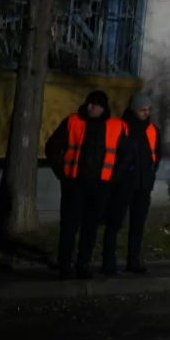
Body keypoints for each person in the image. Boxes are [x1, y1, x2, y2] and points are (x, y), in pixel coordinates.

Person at [44, 90, 122, 279]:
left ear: (103, 107)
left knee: (90, 227)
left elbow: (124, 154)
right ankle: (65, 264)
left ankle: (83, 264)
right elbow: (52, 146)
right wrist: (62, 174)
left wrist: (113, 178)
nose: (90, 107)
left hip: (99, 185)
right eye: (89, 103)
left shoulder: (115, 125)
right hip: (75, 183)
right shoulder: (73, 121)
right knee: (70, 226)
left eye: (94, 104)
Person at [103, 92, 160, 276]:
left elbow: (156, 155)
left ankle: (133, 261)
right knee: (114, 223)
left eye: (148, 109)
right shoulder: (121, 127)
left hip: (143, 185)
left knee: (138, 224)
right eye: (142, 109)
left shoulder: (151, 130)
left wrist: (150, 176)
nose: (146, 113)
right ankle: (108, 262)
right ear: (134, 109)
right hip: (123, 184)